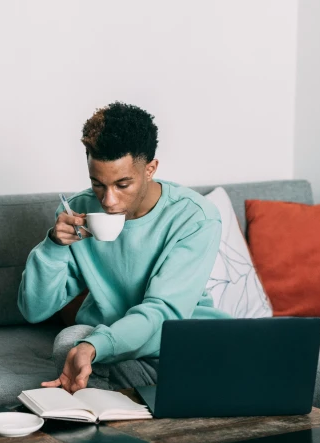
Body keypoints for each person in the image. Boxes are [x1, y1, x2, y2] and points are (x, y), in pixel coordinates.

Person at [17, 101, 230, 393]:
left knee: (92, 356)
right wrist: (53, 245)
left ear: (150, 169)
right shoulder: (77, 211)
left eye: (122, 184)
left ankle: (146, 398)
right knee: (70, 343)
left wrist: (96, 345)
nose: (108, 201)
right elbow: (34, 310)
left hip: (178, 339)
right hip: (113, 344)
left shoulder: (195, 217)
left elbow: (163, 311)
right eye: (98, 184)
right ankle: (146, 399)